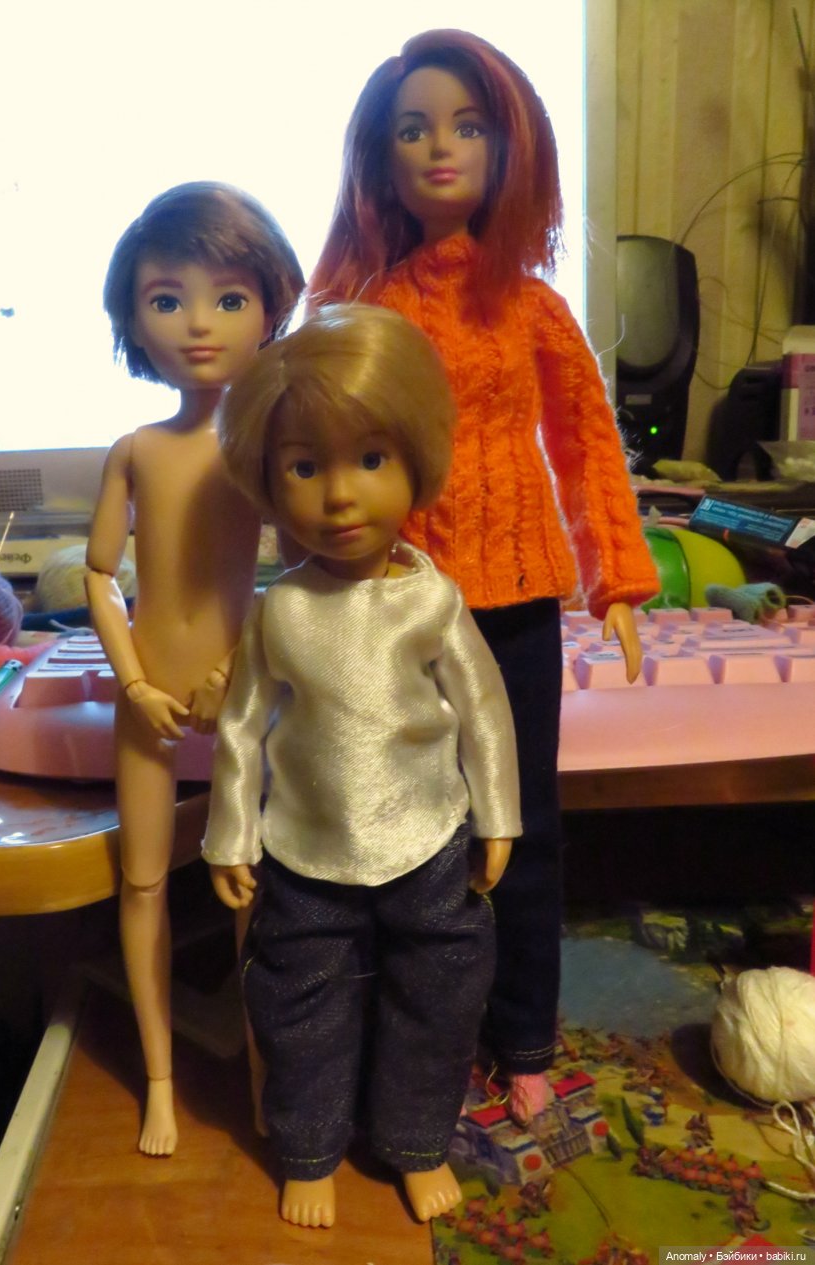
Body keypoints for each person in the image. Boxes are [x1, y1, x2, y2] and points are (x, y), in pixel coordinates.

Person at [309, 30, 660, 1123]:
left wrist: (617, 578)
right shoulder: (372, 307)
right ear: (382, 159)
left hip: (515, 605)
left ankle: (522, 1035)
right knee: (406, 821)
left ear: (508, 149)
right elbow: (322, 443)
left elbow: (586, 443)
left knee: (526, 824)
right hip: (399, 607)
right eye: (414, 130)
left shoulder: (531, 306)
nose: (439, 148)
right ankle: (417, 1030)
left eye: (466, 126)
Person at [202, 303, 521, 1228]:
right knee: (299, 1001)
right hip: (304, 848)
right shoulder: (282, 610)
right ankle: (308, 1147)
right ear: (269, 481)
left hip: (428, 837)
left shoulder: (433, 600)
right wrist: (230, 833)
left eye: (371, 459)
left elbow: (484, 711)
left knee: (440, 994)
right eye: (305, 468)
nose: (340, 496)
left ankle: (415, 1142)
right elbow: (241, 726)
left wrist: (497, 815)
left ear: (416, 459)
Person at [85, 181, 304, 1157]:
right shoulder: (136, 450)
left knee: (249, 884)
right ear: (134, 319)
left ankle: (261, 1075)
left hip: (240, 696)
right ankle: (162, 1083)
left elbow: (300, 570)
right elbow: (99, 574)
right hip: (149, 699)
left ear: (269, 306)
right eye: (167, 299)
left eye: (230, 297)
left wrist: (244, 662)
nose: (200, 323)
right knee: (141, 884)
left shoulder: (268, 445)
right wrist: (133, 681)